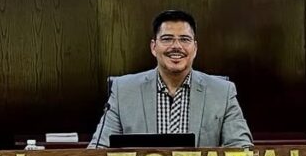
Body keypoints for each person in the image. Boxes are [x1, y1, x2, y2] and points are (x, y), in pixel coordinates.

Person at [88, 10, 252, 148]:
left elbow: (241, 147)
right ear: (154, 47)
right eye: (167, 39)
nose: (176, 46)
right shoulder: (123, 90)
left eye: (184, 39)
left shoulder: (222, 92)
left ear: (195, 48)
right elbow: (99, 150)